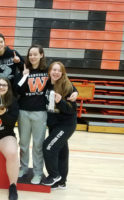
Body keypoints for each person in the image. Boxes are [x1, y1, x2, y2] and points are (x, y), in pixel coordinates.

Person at [15, 45, 78, 184]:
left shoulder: (47, 71)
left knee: (38, 145)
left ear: (41, 55)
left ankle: (38, 172)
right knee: (24, 143)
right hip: (23, 112)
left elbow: (64, 80)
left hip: (40, 113)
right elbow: (16, 89)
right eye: (30, 54)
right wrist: (24, 76)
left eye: (35, 54)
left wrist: (76, 91)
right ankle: (23, 168)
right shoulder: (24, 70)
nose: (32, 57)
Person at [41, 61, 77, 189]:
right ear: (49, 71)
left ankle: (54, 175)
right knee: (61, 152)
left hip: (66, 124)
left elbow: (71, 110)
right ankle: (61, 181)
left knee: (48, 147)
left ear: (62, 73)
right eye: (53, 70)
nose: (56, 72)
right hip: (54, 125)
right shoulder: (46, 83)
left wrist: (60, 101)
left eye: (58, 70)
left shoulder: (67, 86)